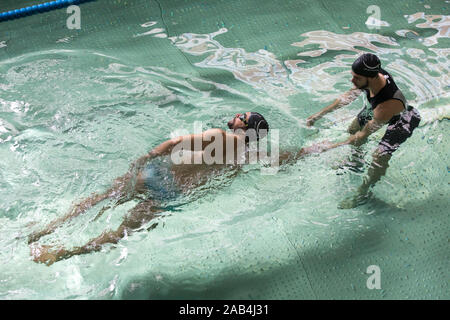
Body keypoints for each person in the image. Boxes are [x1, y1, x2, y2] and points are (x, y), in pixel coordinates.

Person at [29, 112, 328, 265]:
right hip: (172, 194)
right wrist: (323, 146)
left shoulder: (220, 135)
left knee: (101, 199)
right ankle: (61, 254)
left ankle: (46, 229)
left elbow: (174, 144)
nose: (236, 115)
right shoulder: (248, 155)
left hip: (157, 173)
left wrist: (145, 157)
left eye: (241, 115)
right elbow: (289, 157)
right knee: (122, 232)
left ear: (243, 124)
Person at [306, 53, 421, 209]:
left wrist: (329, 147)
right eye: (353, 76)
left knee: (379, 156)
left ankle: (364, 193)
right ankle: (356, 162)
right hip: (376, 109)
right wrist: (317, 116)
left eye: (357, 78)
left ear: (371, 77)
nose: (352, 81)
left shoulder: (385, 106)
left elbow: (363, 135)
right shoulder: (372, 76)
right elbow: (348, 96)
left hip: (402, 120)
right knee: (352, 128)